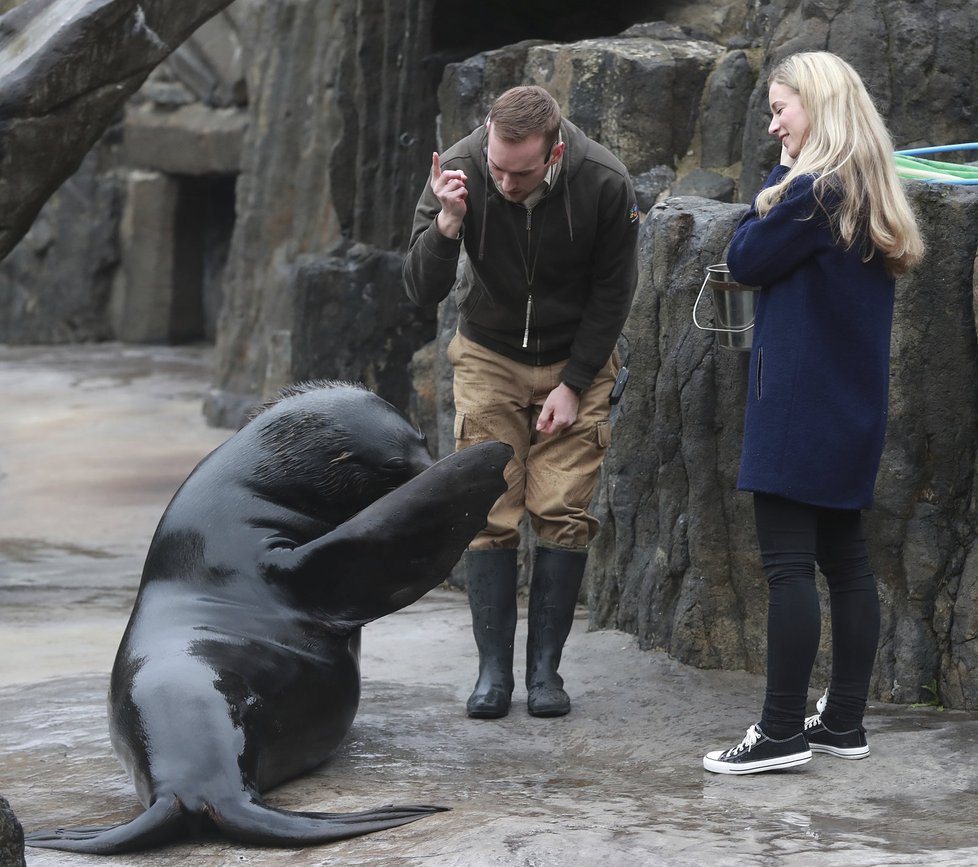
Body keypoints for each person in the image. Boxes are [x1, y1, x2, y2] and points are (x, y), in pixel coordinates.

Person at [702, 52, 924, 774]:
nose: (773, 126)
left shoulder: (812, 192)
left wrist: (781, 176)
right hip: (851, 407)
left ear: (818, 109)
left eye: (781, 110)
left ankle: (779, 732)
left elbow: (744, 256)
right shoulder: (864, 187)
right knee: (847, 564)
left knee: (789, 566)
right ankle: (843, 721)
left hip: (795, 408)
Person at [402, 85, 639, 719]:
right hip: (488, 354)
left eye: (522, 171)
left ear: (554, 151)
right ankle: (492, 675)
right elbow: (420, 289)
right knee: (488, 508)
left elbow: (616, 291)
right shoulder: (460, 168)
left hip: (576, 359)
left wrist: (576, 380)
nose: (505, 182)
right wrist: (447, 224)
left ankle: (545, 675)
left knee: (561, 509)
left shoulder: (603, 181)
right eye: (497, 167)